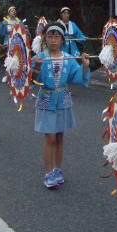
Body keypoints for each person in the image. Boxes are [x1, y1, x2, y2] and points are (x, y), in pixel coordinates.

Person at [32, 22, 91, 189]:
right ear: (44, 39)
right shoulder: (39, 57)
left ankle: (57, 169)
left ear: (62, 39)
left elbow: (76, 77)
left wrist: (84, 66)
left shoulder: (68, 58)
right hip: (46, 99)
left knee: (59, 136)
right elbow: (33, 81)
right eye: (49, 36)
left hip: (63, 100)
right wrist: (36, 66)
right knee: (49, 136)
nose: (53, 40)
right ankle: (48, 172)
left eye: (56, 36)